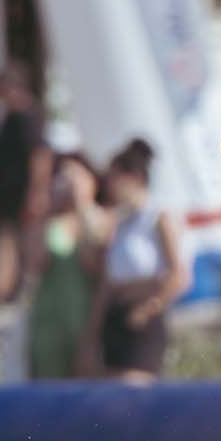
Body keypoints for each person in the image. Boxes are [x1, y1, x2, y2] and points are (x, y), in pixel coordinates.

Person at [87, 140, 187, 384]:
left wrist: (147, 308)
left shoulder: (157, 218)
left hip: (143, 320)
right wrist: (93, 328)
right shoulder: (119, 224)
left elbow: (178, 275)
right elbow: (107, 281)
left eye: (115, 178)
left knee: (134, 389)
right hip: (116, 317)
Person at [25, 151, 109, 380]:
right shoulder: (49, 223)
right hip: (49, 322)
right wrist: (47, 208)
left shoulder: (102, 219)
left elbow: (95, 264)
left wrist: (82, 204)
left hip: (88, 320)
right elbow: (34, 264)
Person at [0, 65, 47, 306]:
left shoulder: (29, 117)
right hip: (4, 192)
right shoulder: (7, 117)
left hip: (21, 191)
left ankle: (14, 290)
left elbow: (40, 156)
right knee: (4, 239)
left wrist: (36, 192)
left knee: (20, 243)